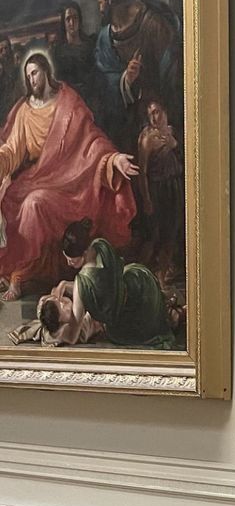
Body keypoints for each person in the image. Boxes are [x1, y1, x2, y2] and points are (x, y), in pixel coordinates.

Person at [0, 53, 138, 300]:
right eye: (28, 74)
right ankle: (22, 269)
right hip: (37, 177)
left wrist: (113, 159)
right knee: (12, 197)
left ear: (46, 71)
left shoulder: (68, 104)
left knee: (34, 203)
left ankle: (19, 274)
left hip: (70, 182)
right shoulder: (24, 110)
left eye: (35, 72)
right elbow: (12, 149)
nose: (31, 79)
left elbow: (91, 141)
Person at [37, 218, 179, 349]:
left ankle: (173, 314)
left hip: (132, 315)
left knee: (131, 329)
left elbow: (72, 337)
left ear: (85, 253)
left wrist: (52, 335)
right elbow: (103, 286)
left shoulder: (81, 284)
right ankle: (172, 310)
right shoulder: (100, 245)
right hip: (141, 280)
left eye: (72, 260)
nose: (68, 263)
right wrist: (63, 284)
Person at [94, 0, 182, 150]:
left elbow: (172, 78)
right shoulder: (104, 39)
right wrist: (126, 80)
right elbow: (102, 85)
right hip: (126, 123)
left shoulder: (153, 25)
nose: (99, 7)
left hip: (158, 117)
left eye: (101, 2)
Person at [137, 97, 184, 281]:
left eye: (156, 112)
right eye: (150, 114)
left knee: (171, 233)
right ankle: (137, 274)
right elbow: (142, 173)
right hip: (157, 190)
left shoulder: (174, 133)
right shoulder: (147, 138)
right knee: (154, 235)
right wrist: (147, 200)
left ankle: (163, 276)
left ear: (165, 112)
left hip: (174, 187)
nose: (154, 118)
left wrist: (175, 146)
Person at [52, 1, 100, 117]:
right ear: (64, 23)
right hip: (68, 103)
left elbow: (96, 76)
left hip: (90, 101)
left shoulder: (90, 45)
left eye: (75, 18)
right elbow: (57, 81)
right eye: (68, 19)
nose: (72, 23)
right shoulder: (57, 51)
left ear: (80, 20)